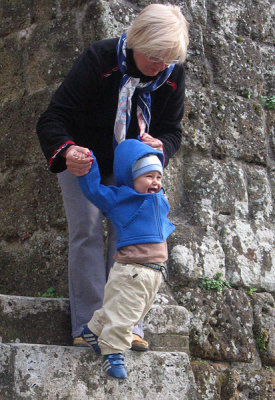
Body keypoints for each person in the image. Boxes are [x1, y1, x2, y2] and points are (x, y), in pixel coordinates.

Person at [36, 3, 189, 350]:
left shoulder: (172, 73)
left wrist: (160, 145)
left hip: (133, 165)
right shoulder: (99, 59)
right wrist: (68, 150)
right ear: (137, 39)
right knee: (87, 229)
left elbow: (173, 132)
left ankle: (126, 323)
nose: (160, 66)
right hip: (84, 158)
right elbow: (53, 117)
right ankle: (89, 325)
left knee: (132, 236)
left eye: (168, 59)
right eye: (154, 56)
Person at [77, 138, 174, 379]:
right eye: (148, 176)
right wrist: (89, 167)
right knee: (124, 315)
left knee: (130, 311)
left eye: (158, 177)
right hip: (132, 271)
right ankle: (112, 354)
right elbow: (95, 191)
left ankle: (92, 331)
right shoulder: (122, 199)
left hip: (154, 273)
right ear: (132, 178)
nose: (155, 182)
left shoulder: (159, 200)